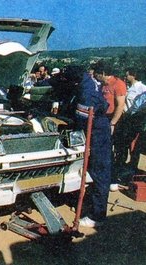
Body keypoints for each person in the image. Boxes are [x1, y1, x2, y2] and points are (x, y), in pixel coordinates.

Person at [74, 66, 111, 228]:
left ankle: (97, 216)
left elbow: (82, 118)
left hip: (97, 132)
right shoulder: (88, 83)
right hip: (100, 128)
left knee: (99, 174)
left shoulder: (86, 91)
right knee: (98, 173)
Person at [92, 61, 126, 192]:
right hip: (104, 119)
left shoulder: (118, 84)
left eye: (97, 74)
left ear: (103, 73)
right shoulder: (103, 85)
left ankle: (113, 179)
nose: (95, 76)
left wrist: (113, 123)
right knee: (104, 152)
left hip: (114, 120)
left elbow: (120, 106)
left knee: (112, 152)